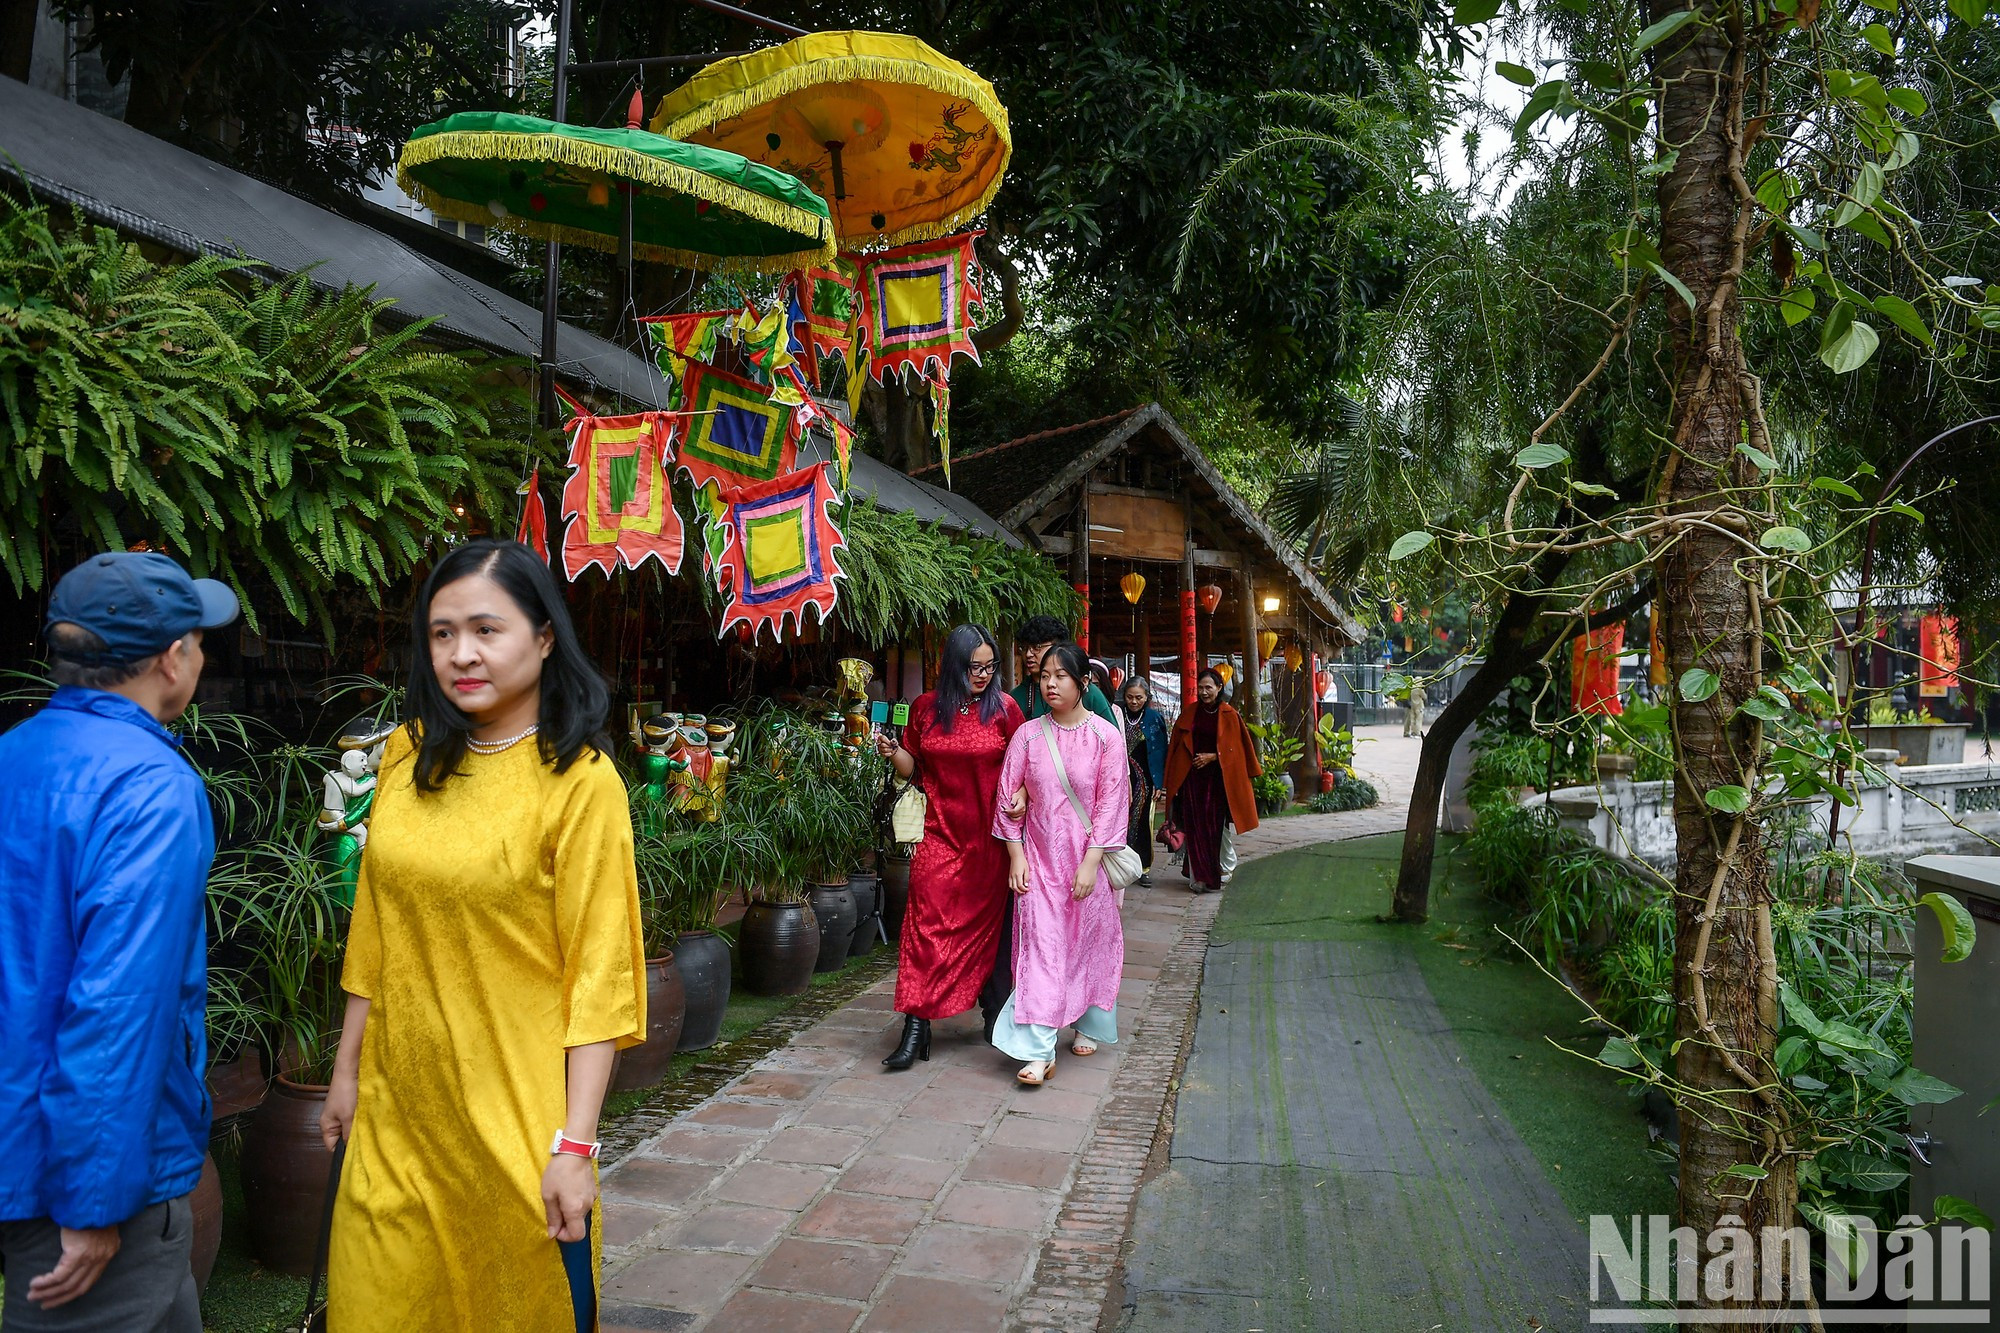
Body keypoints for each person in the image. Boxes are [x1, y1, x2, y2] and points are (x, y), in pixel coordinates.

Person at [322, 539, 646, 1332]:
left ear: (543, 637)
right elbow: (377, 923)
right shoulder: (404, 757)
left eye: (485, 630)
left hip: (514, 1132)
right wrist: (345, 1069)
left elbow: (599, 976)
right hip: (396, 1122)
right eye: (441, 633)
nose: (460, 653)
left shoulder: (580, 784)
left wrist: (577, 1146)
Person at [0, 551, 238, 1333]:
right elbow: (118, 1004)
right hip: (88, 1182)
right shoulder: (151, 787)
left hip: (25, 1142)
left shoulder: (12, 755)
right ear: (173, 659)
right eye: (199, 639)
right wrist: (94, 1200)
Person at [874, 624, 1025, 1067]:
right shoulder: (925, 709)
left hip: (991, 841)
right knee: (924, 924)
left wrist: (1023, 796)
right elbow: (912, 768)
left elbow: (1026, 765)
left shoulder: (1005, 709)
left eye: (989, 666)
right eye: (973, 666)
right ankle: (916, 1025)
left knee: (988, 931)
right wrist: (891, 752)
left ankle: (994, 1012)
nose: (982, 674)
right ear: (954, 665)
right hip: (939, 834)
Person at [990, 643, 1129, 1085]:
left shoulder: (1106, 737)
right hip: (1039, 863)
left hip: (1087, 860)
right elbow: (1006, 795)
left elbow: (1112, 803)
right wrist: (1015, 854)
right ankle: (1037, 1049)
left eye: (1060, 676)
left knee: (1088, 942)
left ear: (1082, 683)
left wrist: (1091, 863)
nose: (1050, 683)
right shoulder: (1027, 735)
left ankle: (1088, 1022)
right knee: (1041, 951)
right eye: (1045, 675)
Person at [1164, 667, 1262, 894]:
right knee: (1195, 827)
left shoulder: (1229, 715)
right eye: (1200, 687)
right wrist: (1171, 782)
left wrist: (1213, 757)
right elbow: (1176, 747)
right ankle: (1199, 876)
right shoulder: (1190, 713)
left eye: (1209, 687)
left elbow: (1237, 751)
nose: (1204, 692)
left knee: (1216, 828)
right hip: (1192, 780)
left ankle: (1224, 867)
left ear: (1219, 688)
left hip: (1219, 781)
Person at [1009, 615, 1118, 728]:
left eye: (1037, 647)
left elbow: (1112, 739)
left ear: (1059, 647)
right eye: (1024, 648)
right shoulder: (1015, 698)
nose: (1028, 654)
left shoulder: (1086, 692)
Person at [1120, 678, 1169, 889]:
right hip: (1120, 778)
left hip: (1145, 781)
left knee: (1142, 823)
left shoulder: (1154, 719)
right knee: (1119, 821)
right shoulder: (1116, 714)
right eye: (1129, 697)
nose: (1133, 701)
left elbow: (1160, 752)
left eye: (1139, 697)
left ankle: (1143, 868)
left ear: (1147, 697)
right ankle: (1120, 866)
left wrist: (1160, 783)